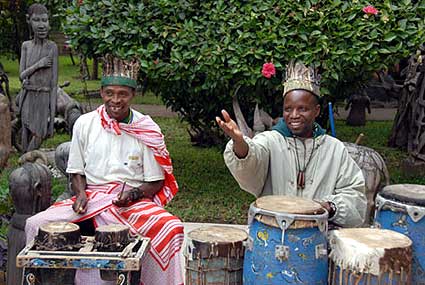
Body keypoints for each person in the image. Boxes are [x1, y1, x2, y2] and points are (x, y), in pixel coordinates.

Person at [25, 54, 184, 285]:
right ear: (102, 93)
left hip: (131, 203)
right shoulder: (85, 123)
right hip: (91, 197)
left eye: (122, 94)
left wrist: (133, 195)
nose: (115, 100)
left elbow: (155, 182)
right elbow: (76, 171)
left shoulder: (146, 128)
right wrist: (80, 194)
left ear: (132, 95)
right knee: (34, 224)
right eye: (110, 93)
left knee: (172, 227)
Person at [216, 61, 367, 227]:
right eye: (288, 109)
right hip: (272, 232)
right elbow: (253, 159)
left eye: (302, 109)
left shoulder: (334, 149)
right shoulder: (271, 140)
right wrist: (239, 143)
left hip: (318, 236)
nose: (294, 115)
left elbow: (355, 195)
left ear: (316, 110)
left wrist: (330, 207)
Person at [18, 3, 58, 152]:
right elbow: (21, 75)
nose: (41, 26)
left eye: (44, 20)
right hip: (28, 96)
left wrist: (52, 118)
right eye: (36, 20)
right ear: (29, 20)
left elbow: (54, 84)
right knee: (26, 132)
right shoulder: (26, 46)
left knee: (39, 134)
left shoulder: (52, 47)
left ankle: (26, 162)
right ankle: (26, 163)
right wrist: (38, 65)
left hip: (43, 98)